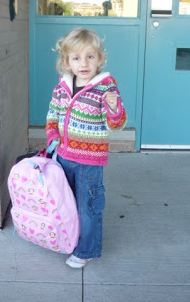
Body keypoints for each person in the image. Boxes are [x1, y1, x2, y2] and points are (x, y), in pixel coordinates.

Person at [45, 28, 127, 268]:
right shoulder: (62, 87)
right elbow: (53, 114)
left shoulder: (105, 88)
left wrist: (114, 107)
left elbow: (117, 124)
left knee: (88, 208)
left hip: (89, 162)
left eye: (90, 57)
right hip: (63, 157)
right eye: (76, 57)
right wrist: (53, 137)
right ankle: (70, 240)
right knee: (66, 204)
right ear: (67, 61)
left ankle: (87, 249)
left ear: (100, 60)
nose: (84, 63)